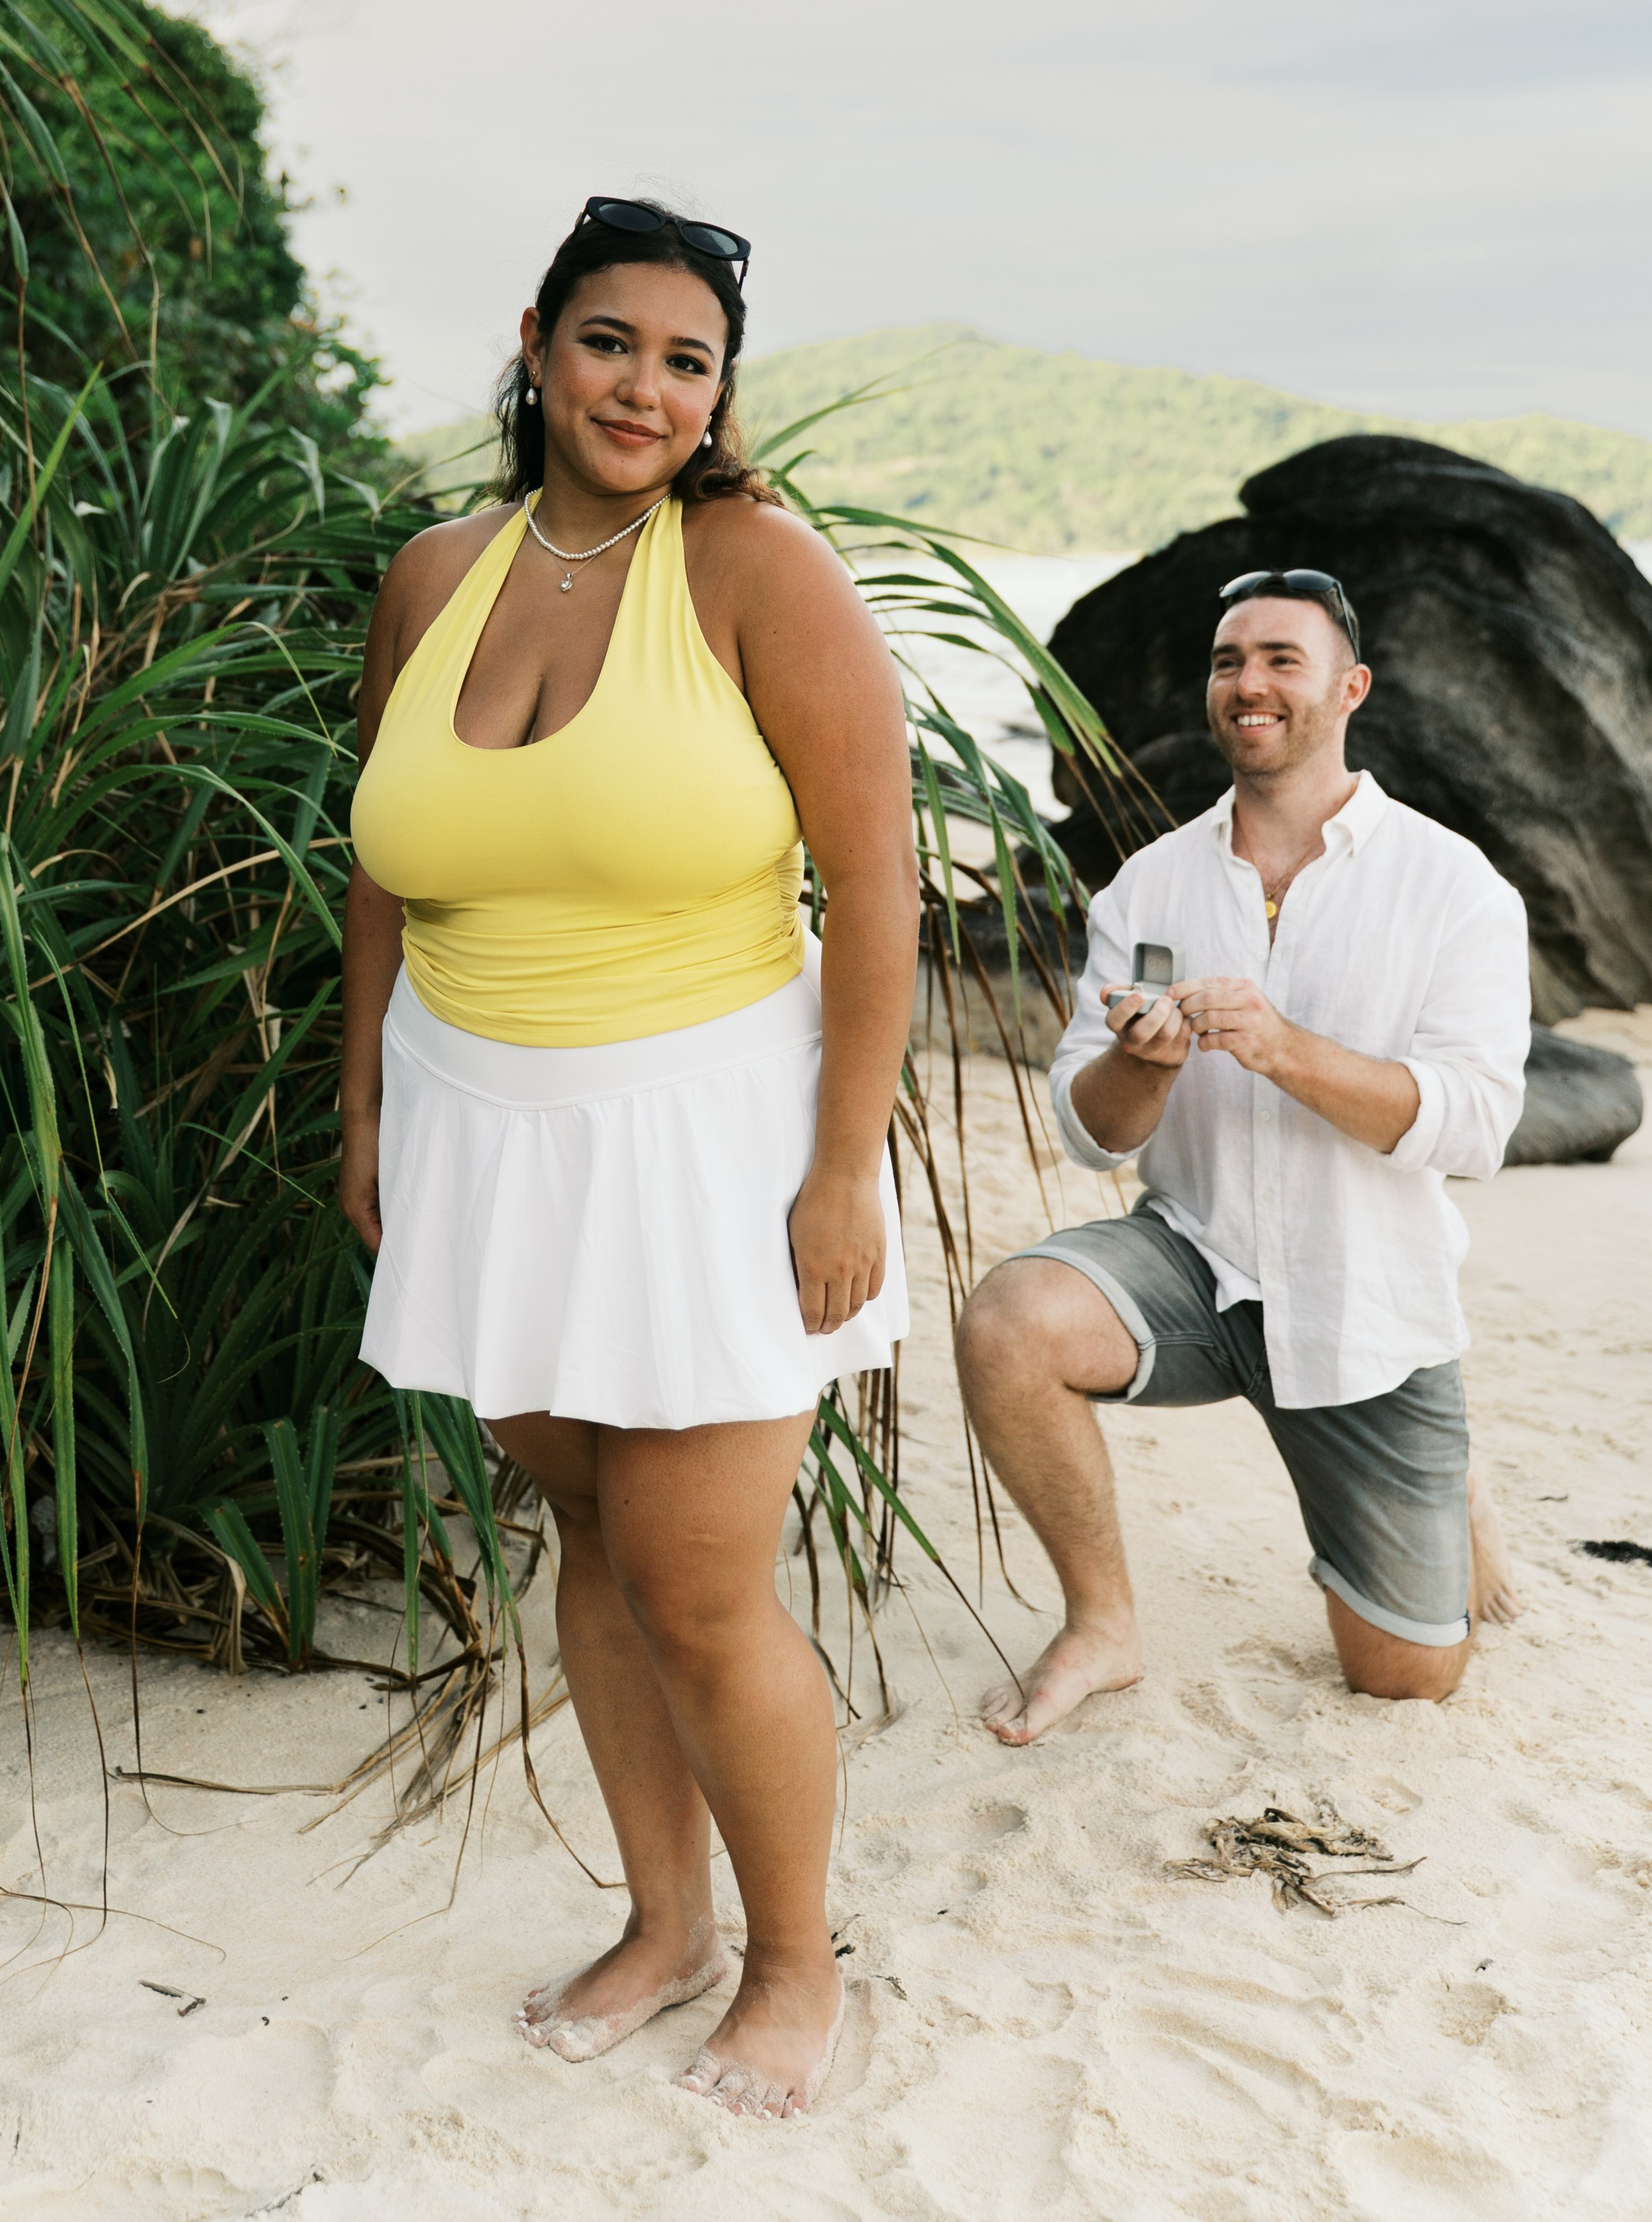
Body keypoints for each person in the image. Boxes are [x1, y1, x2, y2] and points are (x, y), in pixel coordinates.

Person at [339, 198, 918, 2118]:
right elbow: (385, 862)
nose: (644, 389)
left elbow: (880, 888)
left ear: (720, 389)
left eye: (687, 360)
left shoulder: (757, 570)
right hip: (479, 1127)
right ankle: (659, 1926)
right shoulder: (434, 573)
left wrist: (845, 1165)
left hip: (704, 1140)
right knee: (580, 1530)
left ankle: (793, 1962)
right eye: (611, 343)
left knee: (695, 1577)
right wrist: (362, 1103)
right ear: (534, 339)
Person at [954, 567, 1531, 1743]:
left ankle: (1460, 1484)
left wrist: (1280, 1049)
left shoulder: (1452, 885)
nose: (1249, 683)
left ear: (1349, 687)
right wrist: (1145, 1070)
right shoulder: (1150, 885)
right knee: (1009, 1323)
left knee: (1405, 1677)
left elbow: (1476, 1127)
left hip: (1367, 1298)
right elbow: (1086, 1128)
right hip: (1198, 1265)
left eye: (1281, 658)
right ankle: (1104, 1627)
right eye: (1230, 661)